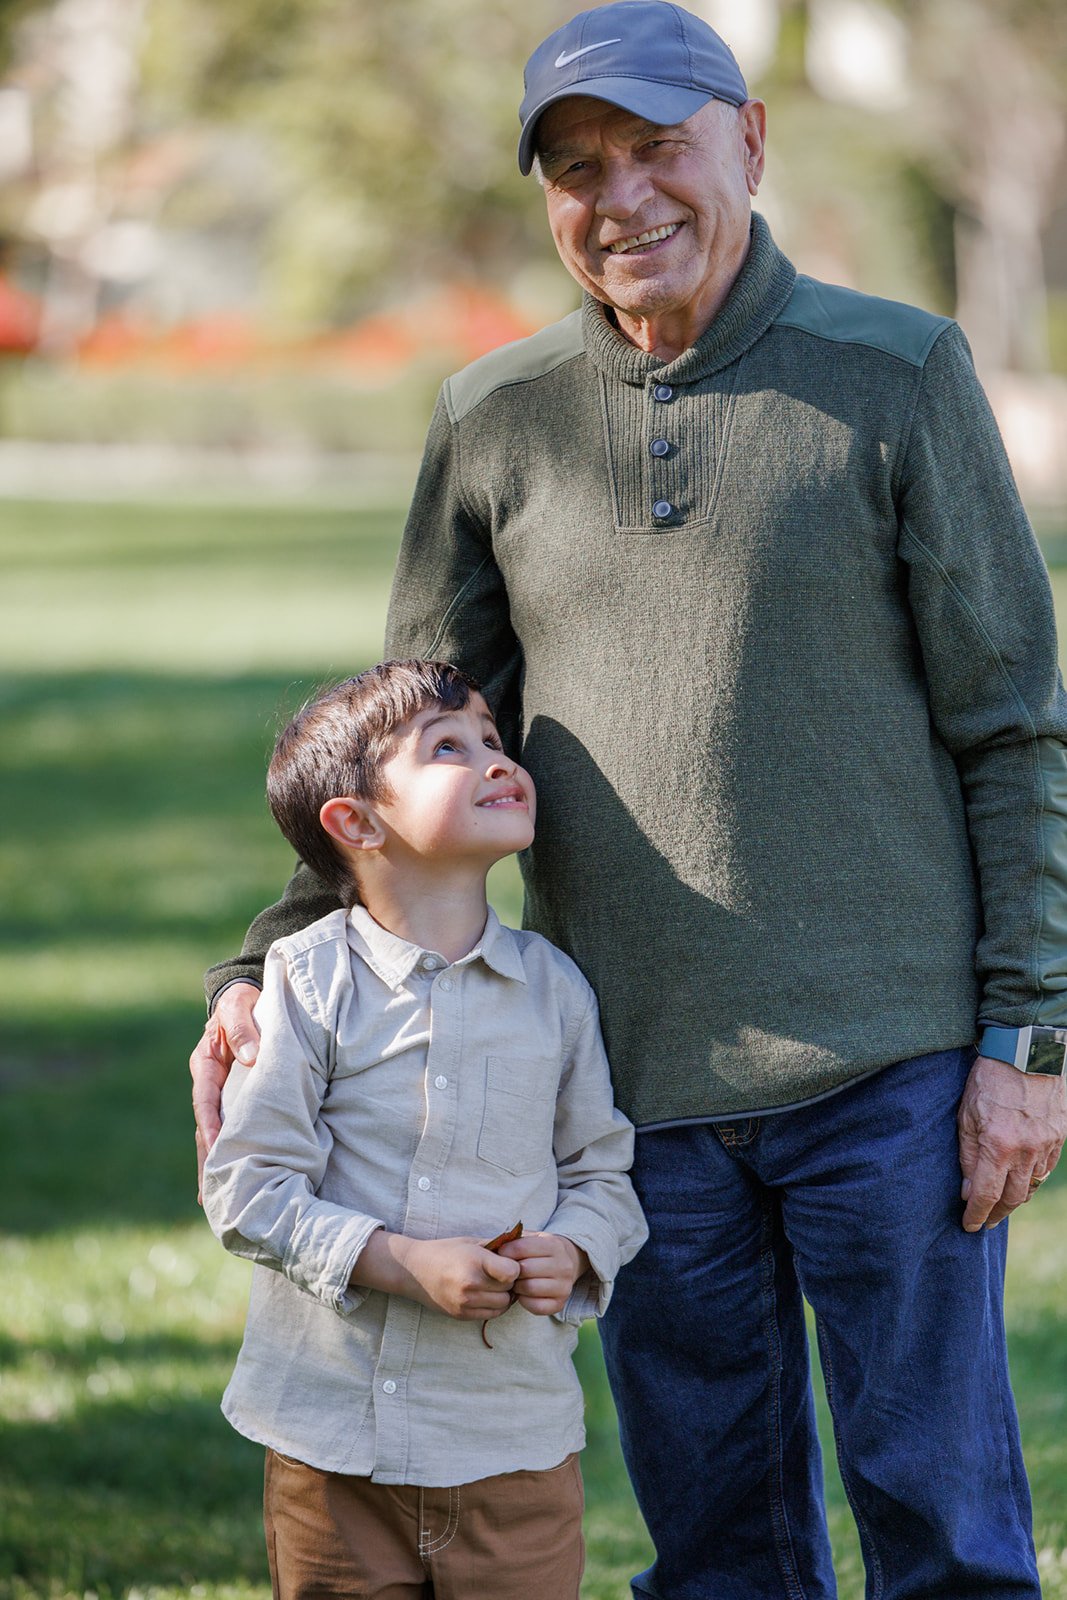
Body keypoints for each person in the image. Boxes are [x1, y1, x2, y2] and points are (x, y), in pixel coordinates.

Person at [192, 4, 1067, 1596]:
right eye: (577, 167)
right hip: (625, 1090)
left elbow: (1013, 732)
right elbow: (404, 742)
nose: (621, 199)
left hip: (890, 1067)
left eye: (657, 148)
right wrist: (264, 966)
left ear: (745, 141)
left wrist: (1025, 1038)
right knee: (716, 1548)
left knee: (942, 1536)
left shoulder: (896, 371)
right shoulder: (493, 416)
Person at [201, 659, 647, 1600]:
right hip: (331, 1451)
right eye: (450, 748)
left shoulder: (555, 992)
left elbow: (603, 1172)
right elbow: (247, 1190)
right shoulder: (306, 982)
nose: (496, 759)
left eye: (493, 739)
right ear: (355, 823)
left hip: (509, 1448)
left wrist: (574, 1249)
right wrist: (400, 1263)